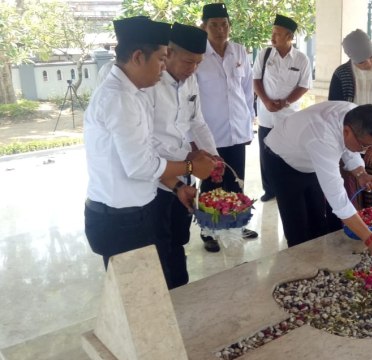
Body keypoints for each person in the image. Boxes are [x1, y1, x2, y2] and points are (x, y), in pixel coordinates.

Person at [83, 17, 215, 273]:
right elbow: (140, 165)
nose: (163, 68)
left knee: (159, 274)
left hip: (137, 207)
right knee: (137, 295)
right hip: (119, 217)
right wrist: (189, 166)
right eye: (161, 59)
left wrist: (177, 185)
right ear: (137, 57)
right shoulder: (119, 97)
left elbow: (144, 155)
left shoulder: (134, 92)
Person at [263, 102, 372, 263]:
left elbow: (347, 145)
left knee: (318, 219)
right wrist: (370, 240)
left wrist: (361, 173)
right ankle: (300, 270)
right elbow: (339, 203)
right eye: (364, 146)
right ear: (347, 131)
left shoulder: (355, 115)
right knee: (298, 227)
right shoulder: (322, 138)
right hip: (281, 160)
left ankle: (318, 264)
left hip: (309, 159)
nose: (364, 151)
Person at [147, 23, 220, 288]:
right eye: (189, 61)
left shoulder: (190, 81)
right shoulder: (149, 83)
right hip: (155, 180)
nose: (193, 69)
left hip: (184, 175)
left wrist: (213, 156)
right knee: (158, 245)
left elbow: (197, 123)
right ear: (169, 53)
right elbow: (145, 145)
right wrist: (179, 175)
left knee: (178, 240)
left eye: (198, 63)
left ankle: (181, 292)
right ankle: (164, 300)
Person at [196, 3, 258, 252]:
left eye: (224, 24)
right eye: (214, 25)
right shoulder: (198, 54)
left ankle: (235, 223)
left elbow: (247, 88)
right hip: (210, 132)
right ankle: (207, 229)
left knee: (236, 181)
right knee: (210, 183)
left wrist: (249, 119)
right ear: (204, 27)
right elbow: (194, 97)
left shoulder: (239, 51)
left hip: (237, 130)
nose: (220, 30)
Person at [327, 28, 372, 229]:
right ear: (351, 58)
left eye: (371, 57)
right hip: (349, 138)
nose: (368, 63)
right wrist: (354, 140)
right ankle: (354, 226)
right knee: (351, 184)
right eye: (361, 61)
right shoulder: (342, 74)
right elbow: (336, 110)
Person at [253, 14, 311, 203]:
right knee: (266, 154)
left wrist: (285, 102)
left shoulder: (301, 59)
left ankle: (286, 187)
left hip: (289, 115)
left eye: (277, 34)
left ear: (289, 37)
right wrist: (266, 101)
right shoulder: (265, 54)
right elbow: (256, 80)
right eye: (273, 33)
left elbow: (304, 86)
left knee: (288, 152)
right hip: (267, 114)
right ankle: (269, 189)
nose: (273, 37)